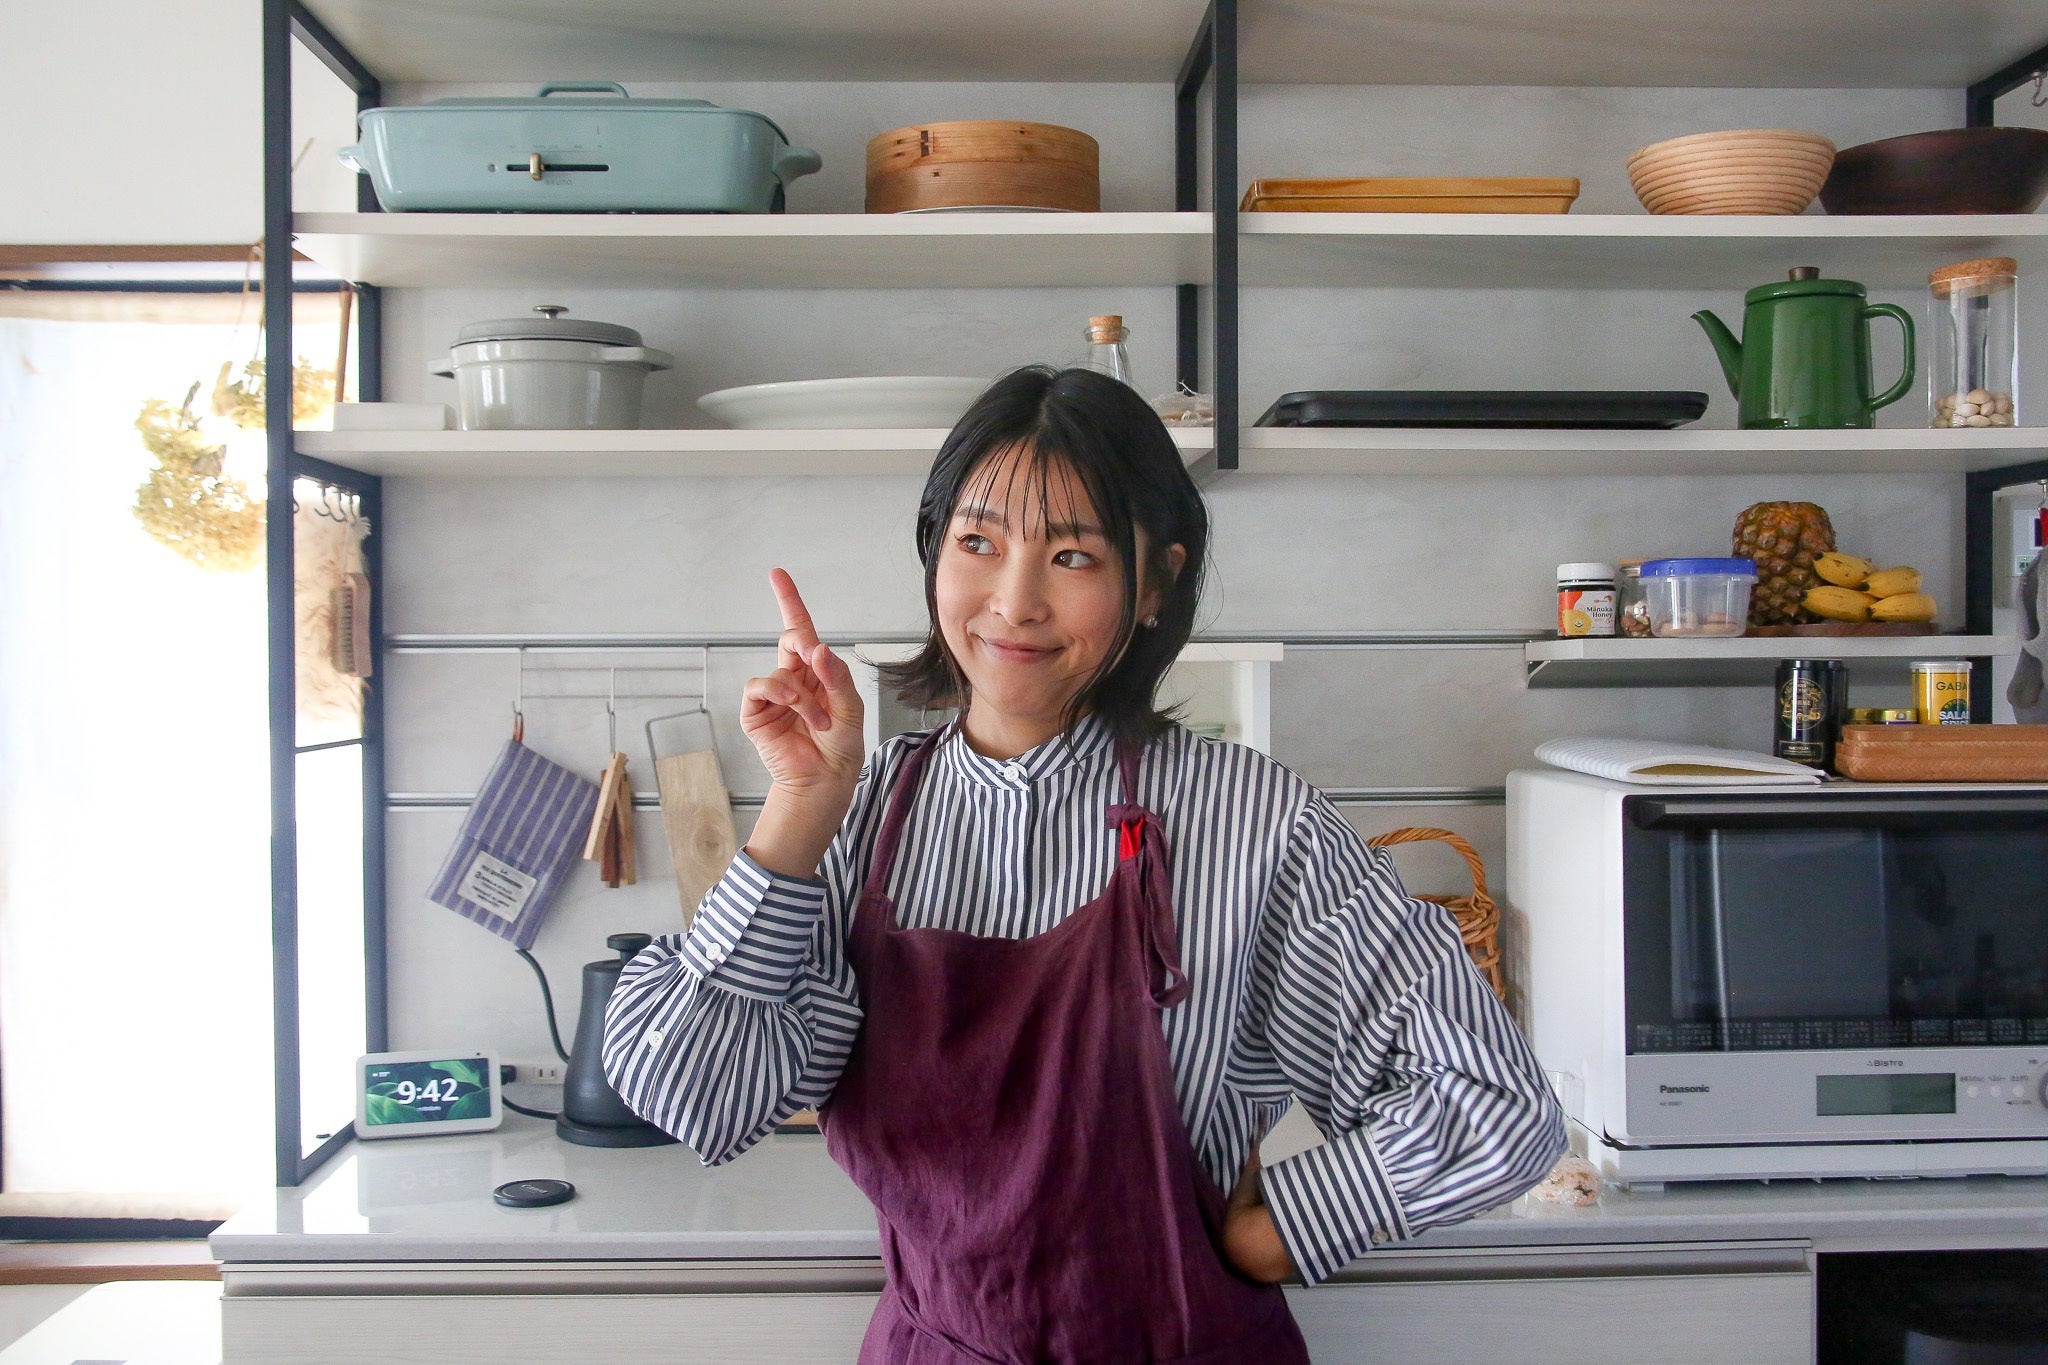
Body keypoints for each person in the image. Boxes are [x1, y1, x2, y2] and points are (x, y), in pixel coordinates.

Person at [603, 365, 1566, 1362]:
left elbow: (1492, 1104)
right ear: (935, 553)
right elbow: (695, 1095)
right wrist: (801, 806)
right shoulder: (857, 816)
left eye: (1071, 555)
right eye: (978, 543)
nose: (1014, 602)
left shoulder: (1254, 821)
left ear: (1152, 583)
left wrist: (1284, 1226)